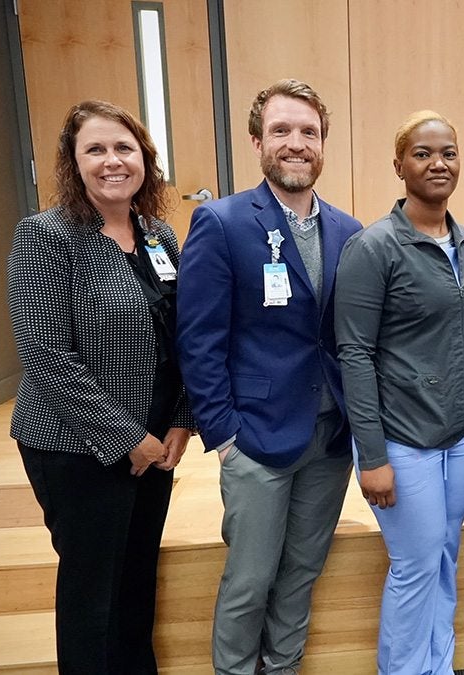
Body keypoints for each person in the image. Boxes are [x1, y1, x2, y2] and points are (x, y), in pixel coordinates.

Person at [176, 79, 362, 675]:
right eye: (282, 130)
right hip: (255, 436)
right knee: (251, 577)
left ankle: (282, 667)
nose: (296, 143)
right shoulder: (222, 222)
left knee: (302, 572)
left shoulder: (348, 230)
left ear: (323, 144)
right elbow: (200, 339)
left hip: (329, 437)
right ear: (257, 141)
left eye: (309, 132)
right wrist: (224, 436)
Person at [6, 99, 192, 673]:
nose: (112, 161)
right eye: (96, 149)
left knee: (137, 581)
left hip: (157, 443)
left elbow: (185, 331)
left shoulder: (158, 236)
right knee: (93, 595)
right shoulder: (46, 236)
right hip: (76, 446)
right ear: (73, 161)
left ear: (144, 160)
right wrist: (126, 437)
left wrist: (182, 419)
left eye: (124, 148)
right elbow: (44, 354)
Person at [335, 110, 464, 675]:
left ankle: (438, 665)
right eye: (423, 153)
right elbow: (353, 352)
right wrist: (372, 456)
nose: (437, 163)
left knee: (444, 554)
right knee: (416, 563)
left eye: (447, 152)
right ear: (399, 165)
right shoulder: (373, 247)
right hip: (403, 437)